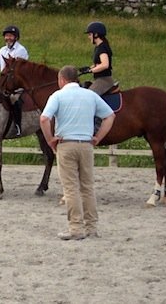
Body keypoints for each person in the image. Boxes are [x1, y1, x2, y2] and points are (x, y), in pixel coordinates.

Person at [39, 65, 115, 241]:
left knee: (71, 188)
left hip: (66, 144)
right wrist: (98, 137)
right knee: (88, 187)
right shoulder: (90, 95)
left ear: (62, 79)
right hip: (86, 145)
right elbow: (110, 116)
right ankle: (92, 227)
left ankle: (75, 228)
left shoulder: (57, 96)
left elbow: (44, 118)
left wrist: (50, 139)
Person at [0, 25, 29, 136]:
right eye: (6, 35)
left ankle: (17, 126)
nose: (8, 38)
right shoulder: (2, 50)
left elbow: (17, 70)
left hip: (15, 83)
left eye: (11, 35)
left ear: (16, 37)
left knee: (14, 99)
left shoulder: (21, 50)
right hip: (3, 82)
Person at [79, 21, 114, 96]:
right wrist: (88, 68)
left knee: (88, 96)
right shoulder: (98, 47)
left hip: (104, 80)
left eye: (89, 34)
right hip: (99, 79)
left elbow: (105, 65)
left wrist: (91, 70)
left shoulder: (102, 48)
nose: (88, 37)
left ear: (96, 34)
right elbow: (99, 64)